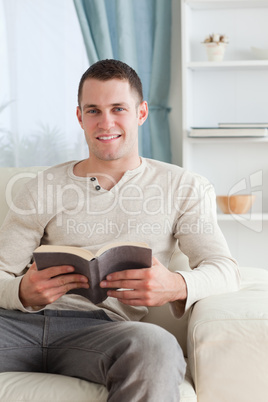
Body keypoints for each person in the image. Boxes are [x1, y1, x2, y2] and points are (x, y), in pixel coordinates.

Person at [0, 59, 240, 401]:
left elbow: (225, 270)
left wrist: (175, 285)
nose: (106, 122)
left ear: (141, 113)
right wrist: (22, 292)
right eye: (94, 110)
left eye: (118, 109)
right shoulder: (42, 186)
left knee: (156, 346)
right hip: (15, 325)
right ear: (80, 117)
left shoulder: (183, 187)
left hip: (104, 332)